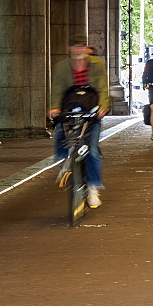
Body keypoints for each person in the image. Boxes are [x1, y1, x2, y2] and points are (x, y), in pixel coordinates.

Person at [49, 37, 110, 208]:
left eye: (81, 47)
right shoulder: (61, 68)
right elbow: (57, 91)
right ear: (70, 48)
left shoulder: (97, 64)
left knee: (92, 150)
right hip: (70, 107)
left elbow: (102, 89)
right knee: (61, 132)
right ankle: (63, 162)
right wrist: (54, 108)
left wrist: (103, 107)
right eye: (75, 47)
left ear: (86, 48)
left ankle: (93, 187)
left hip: (91, 108)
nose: (78, 50)